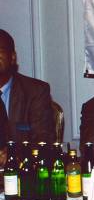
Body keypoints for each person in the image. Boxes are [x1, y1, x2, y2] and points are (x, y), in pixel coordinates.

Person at [0, 30, 55, 165]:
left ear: (12, 57)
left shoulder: (35, 91)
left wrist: (13, 154)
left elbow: (43, 140)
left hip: (24, 172)